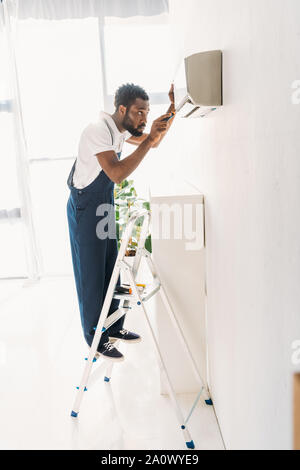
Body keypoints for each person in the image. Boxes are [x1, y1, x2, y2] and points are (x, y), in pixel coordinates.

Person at [66, 83, 175, 362]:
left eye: (147, 113)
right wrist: (149, 140)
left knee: (111, 268)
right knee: (92, 275)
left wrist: (172, 113)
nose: (144, 119)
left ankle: (114, 328)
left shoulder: (119, 132)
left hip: (103, 203)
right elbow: (116, 174)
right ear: (122, 109)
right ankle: (96, 340)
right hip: (85, 206)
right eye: (140, 112)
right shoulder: (98, 130)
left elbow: (154, 141)